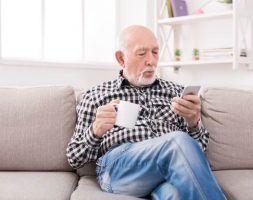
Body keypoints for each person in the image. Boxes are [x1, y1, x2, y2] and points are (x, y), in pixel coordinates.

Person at [66, 25, 226, 200]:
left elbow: (196, 154)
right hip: (119, 167)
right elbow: (74, 158)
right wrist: (95, 131)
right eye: (142, 54)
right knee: (177, 141)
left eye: (155, 52)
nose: (151, 61)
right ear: (121, 59)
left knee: (173, 194)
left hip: (167, 169)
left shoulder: (177, 93)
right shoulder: (95, 95)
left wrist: (193, 123)